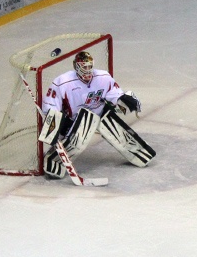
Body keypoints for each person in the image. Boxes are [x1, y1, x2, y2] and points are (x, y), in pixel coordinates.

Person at [40, 51, 156, 179]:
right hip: (74, 120)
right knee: (77, 142)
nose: (88, 70)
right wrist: (54, 128)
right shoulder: (62, 82)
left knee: (121, 136)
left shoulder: (103, 77)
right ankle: (54, 160)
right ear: (77, 67)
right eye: (85, 67)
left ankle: (139, 154)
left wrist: (123, 100)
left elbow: (114, 94)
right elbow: (50, 107)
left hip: (100, 114)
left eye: (90, 66)